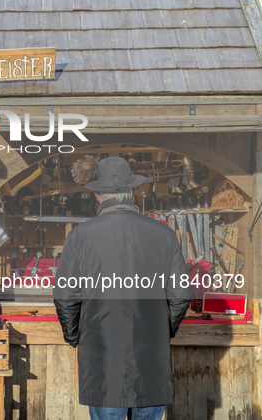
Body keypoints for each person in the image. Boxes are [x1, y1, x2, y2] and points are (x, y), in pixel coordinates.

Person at [54, 157, 192, 420]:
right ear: (133, 191)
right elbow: (181, 294)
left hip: (102, 357)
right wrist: (163, 328)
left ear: (97, 194)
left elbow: (66, 297)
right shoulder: (163, 233)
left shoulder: (81, 235)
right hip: (151, 355)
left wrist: (76, 337)